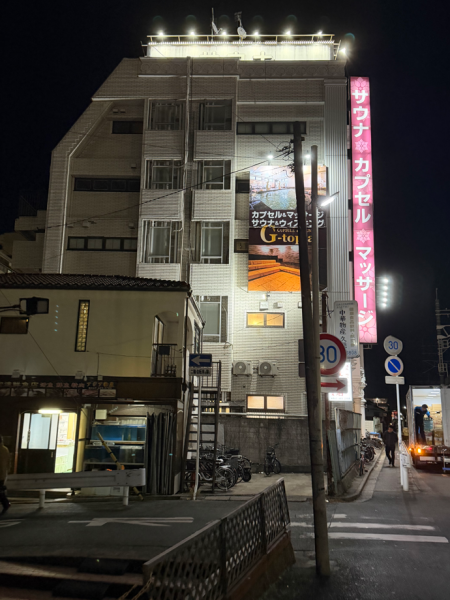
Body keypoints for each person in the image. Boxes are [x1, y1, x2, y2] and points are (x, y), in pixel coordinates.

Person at [0, 435, 11, 515]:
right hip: (2, 474)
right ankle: (6, 504)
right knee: (0, 491)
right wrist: (7, 470)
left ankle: (6, 503)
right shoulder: (5, 449)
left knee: (0, 491)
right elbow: (8, 462)